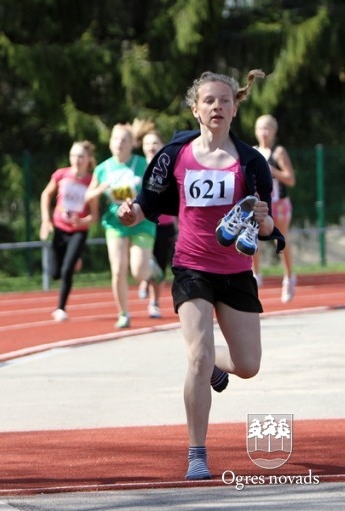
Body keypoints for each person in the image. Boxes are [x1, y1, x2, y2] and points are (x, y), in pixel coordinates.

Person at [118, 70, 285, 481]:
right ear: (196, 109)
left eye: (225, 100)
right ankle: (197, 455)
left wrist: (262, 220)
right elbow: (148, 203)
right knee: (197, 356)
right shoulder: (174, 156)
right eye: (209, 100)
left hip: (235, 271)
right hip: (191, 267)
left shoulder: (250, 161)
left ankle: (215, 364)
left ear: (235, 108)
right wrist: (131, 213)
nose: (217, 107)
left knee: (247, 365)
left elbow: (265, 229)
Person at [85, 123, 156, 328]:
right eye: (115, 139)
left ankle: (151, 267)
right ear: (110, 143)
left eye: (124, 140)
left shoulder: (142, 164)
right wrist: (99, 191)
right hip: (115, 222)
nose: (119, 143)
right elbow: (88, 195)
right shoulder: (102, 169)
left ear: (132, 144)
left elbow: (156, 190)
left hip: (141, 221)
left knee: (139, 273)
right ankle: (123, 313)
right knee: (118, 270)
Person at [40, 141, 99, 321]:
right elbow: (46, 194)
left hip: (78, 231)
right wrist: (45, 220)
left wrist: (81, 221)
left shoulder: (91, 181)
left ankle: (60, 308)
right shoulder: (61, 175)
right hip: (59, 228)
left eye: (81, 156)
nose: (76, 160)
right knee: (55, 272)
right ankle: (73, 259)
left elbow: (94, 216)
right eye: (73, 155)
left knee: (67, 270)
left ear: (88, 159)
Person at [133, 121, 177, 319]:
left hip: (163, 224)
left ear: (162, 146)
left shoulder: (169, 168)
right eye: (147, 144)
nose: (151, 147)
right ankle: (144, 279)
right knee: (142, 261)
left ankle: (154, 302)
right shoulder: (136, 168)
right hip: (142, 225)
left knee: (159, 264)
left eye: (155, 144)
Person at [252, 114, 297, 302]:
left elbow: (291, 179)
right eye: (261, 128)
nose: (264, 133)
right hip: (261, 203)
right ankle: (256, 275)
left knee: (281, 240)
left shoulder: (278, 152)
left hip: (279, 204)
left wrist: (274, 172)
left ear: (274, 131)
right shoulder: (253, 152)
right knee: (252, 235)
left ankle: (289, 277)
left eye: (267, 129)